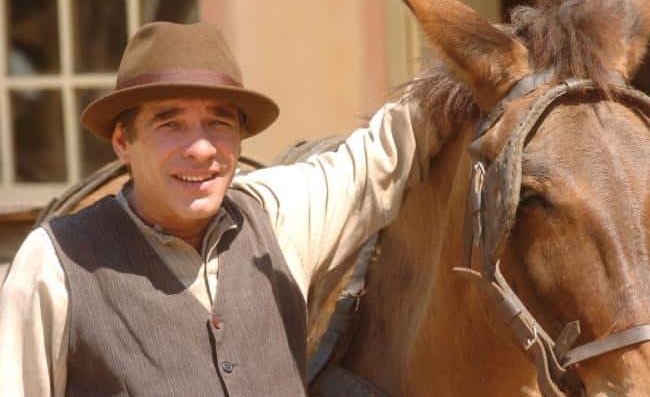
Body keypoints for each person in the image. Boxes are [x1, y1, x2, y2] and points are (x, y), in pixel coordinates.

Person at [0, 21, 438, 396]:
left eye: (219, 123)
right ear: (122, 142)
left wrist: (482, 66)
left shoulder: (277, 217)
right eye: (170, 124)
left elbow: (384, 154)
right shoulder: (53, 263)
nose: (202, 149)